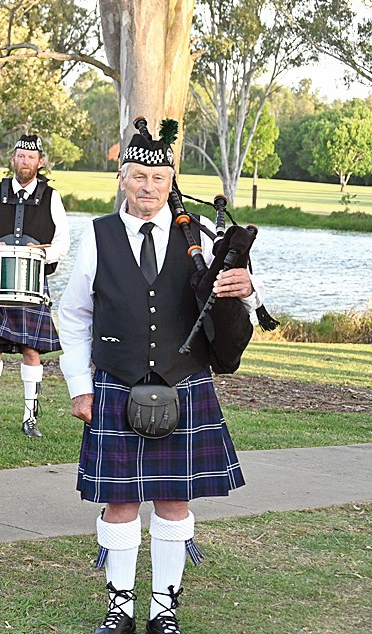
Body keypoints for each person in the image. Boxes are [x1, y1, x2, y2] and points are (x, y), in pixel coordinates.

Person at [56, 120, 260, 634]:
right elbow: (74, 314)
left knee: (174, 500)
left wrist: (248, 289)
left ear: (172, 181)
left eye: (159, 177)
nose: (148, 187)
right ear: (123, 178)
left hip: (183, 381)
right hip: (116, 382)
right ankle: (119, 609)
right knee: (119, 500)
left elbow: (239, 298)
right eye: (139, 176)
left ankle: (163, 609)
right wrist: (80, 385)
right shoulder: (98, 235)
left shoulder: (199, 234)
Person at [0, 134, 70, 437]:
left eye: (31, 157)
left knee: (31, 349)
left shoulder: (51, 197)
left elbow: (63, 243)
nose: (25, 162)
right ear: (13, 159)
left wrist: (41, 254)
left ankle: (30, 418)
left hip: (32, 283)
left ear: (40, 162)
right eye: (20, 156)